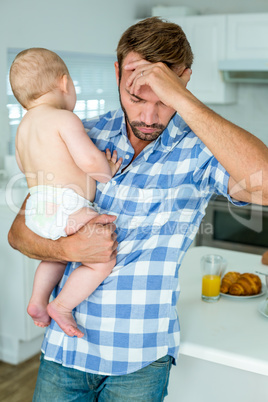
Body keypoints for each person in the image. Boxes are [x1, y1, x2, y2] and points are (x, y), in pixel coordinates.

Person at [8, 17, 268, 401]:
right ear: (117, 74)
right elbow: (20, 231)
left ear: (184, 81)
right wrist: (68, 250)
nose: (148, 117)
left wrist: (182, 99)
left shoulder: (201, 152)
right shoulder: (80, 132)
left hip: (140, 361)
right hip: (65, 351)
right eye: (136, 96)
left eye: (163, 99)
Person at [9, 48, 122, 339]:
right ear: (65, 84)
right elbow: (88, 161)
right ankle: (61, 306)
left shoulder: (23, 128)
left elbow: (24, 165)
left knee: (57, 256)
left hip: (38, 208)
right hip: (68, 205)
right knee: (102, 259)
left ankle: (37, 300)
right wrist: (106, 169)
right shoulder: (65, 119)